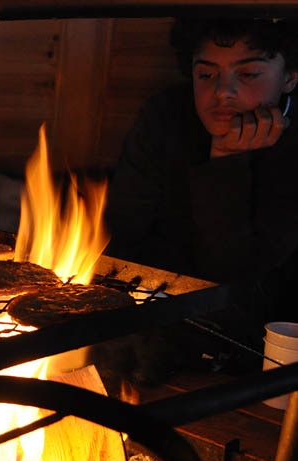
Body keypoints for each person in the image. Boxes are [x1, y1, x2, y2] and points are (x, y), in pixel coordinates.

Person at [103, 17, 298, 375]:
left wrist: (225, 161)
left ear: (290, 77)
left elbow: (236, 271)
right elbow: (125, 231)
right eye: (206, 75)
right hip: (161, 318)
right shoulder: (164, 117)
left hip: (265, 341)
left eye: (249, 74)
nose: (223, 91)